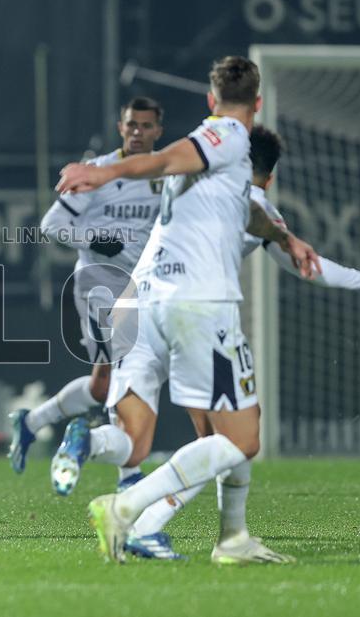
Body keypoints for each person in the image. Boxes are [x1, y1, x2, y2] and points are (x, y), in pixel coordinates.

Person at [56, 56, 320, 565]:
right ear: (257, 104)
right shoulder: (228, 136)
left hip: (163, 301)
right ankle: (128, 507)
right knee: (240, 440)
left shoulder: (221, 161)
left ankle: (233, 538)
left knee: (237, 428)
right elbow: (165, 158)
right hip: (201, 304)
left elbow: (244, 211)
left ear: (209, 96)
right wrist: (101, 171)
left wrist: (287, 238)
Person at [9, 97, 165, 491]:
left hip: (143, 286)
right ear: (120, 127)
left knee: (101, 384)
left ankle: (30, 423)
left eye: (146, 126)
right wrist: (94, 238)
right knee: (127, 370)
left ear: (158, 132)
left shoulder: (165, 174)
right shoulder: (97, 172)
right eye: (132, 124)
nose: (138, 132)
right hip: (100, 283)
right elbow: (51, 224)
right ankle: (128, 476)